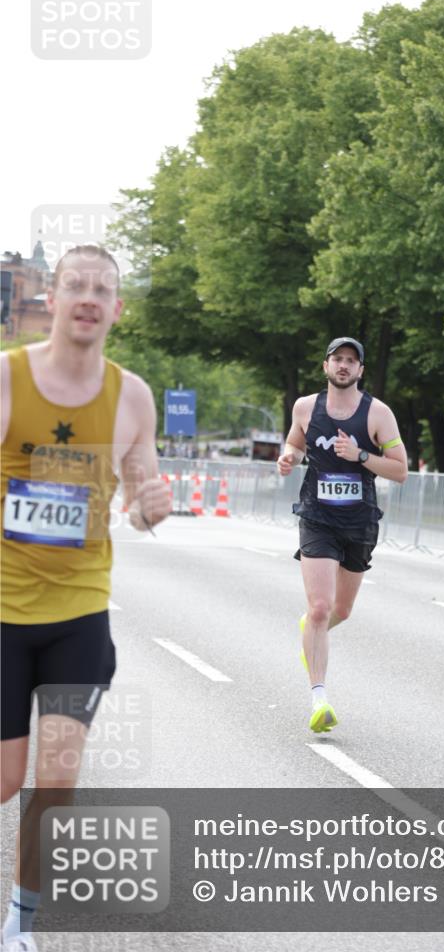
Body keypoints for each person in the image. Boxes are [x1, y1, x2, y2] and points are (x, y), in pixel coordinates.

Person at [0, 244, 172, 952]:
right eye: (76, 286)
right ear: (52, 299)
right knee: (5, 779)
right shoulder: (8, 378)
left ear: (117, 309)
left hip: (78, 613)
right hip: (3, 611)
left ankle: (21, 924)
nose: (89, 299)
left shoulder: (132, 397)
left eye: (103, 289)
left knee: (56, 780)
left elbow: (139, 498)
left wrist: (151, 507)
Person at [277, 337, 408, 733]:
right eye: (338, 359)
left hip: (359, 521)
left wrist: (361, 456)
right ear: (326, 366)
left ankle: (311, 633)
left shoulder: (378, 414)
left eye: (352, 360)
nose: (344, 365)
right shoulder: (305, 407)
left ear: (360, 370)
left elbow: (400, 470)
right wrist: (289, 457)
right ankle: (319, 699)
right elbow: (295, 442)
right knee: (319, 608)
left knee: (341, 610)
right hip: (317, 517)